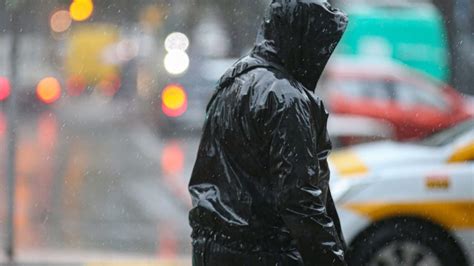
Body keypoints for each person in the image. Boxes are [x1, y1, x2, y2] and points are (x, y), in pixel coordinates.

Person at [188, 0, 348, 265]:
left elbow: (212, 173)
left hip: (213, 248)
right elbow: (300, 201)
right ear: (303, 38)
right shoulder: (286, 99)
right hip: (261, 253)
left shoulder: (234, 80)